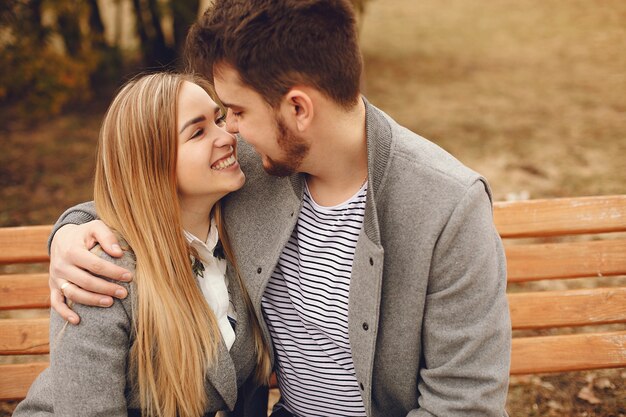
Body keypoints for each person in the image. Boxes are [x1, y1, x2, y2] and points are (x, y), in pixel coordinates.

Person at [46, 0, 512, 416]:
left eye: (237, 112)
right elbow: (144, 191)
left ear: (298, 109)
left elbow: (465, 404)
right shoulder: (252, 164)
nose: (229, 132)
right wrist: (71, 232)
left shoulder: (448, 207)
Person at [14, 72, 271, 417]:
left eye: (219, 118)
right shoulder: (103, 271)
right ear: (152, 163)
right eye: (198, 132)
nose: (227, 136)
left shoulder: (241, 221)